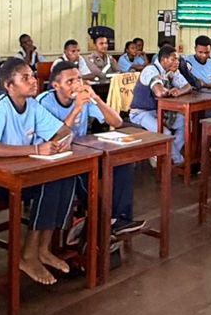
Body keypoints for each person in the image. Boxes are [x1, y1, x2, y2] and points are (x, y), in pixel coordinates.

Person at [0, 58, 90, 285]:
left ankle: (42, 249)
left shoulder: (33, 106)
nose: (33, 81)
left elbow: (59, 130)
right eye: (25, 78)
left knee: (63, 178)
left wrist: (65, 132)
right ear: (8, 86)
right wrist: (36, 148)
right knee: (46, 183)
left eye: (33, 76)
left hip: (20, 173)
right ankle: (26, 255)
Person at [37, 61, 144, 236]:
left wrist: (96, 98)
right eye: (69, 82)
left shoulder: (85, 99)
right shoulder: (44, 102)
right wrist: (77, 108)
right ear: (56, 85)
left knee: (123, 163)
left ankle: (120, 219)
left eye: (79, 79)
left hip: (83, 153)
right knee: (86, 176)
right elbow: (55, 138)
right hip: (57, 159)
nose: (77, 85)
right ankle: (101, 224)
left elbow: (116, 122)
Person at [128, 46, 193, 169]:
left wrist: (179, 92)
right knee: (166, 133)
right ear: (164, 60)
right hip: (141, 113)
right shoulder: (151, 70)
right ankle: (177, 160)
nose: (177, 62)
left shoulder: (172, 71)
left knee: (186, 125)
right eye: (173, 59)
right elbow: (159, 92)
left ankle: (162, 157)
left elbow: (188, 87)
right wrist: (170, 91)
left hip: (160, 112)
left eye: (178, 59)